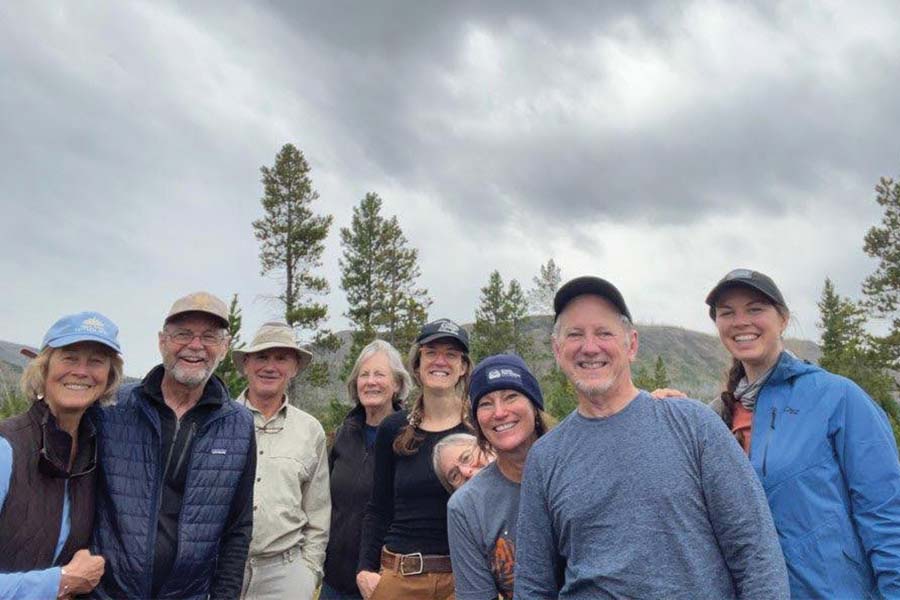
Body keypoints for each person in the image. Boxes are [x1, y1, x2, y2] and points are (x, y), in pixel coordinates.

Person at [515, 276, 789, 599]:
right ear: (557, 349)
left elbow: (755, 551)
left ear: (631, 344)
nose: (590, 347)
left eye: (604, 333)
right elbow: (533, 585)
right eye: (575, 335)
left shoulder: (695, 425)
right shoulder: (545, 457)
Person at [706, 268, 900, 598]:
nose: (741, 321)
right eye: (728, 313)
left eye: (755, 309)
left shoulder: (838, 397)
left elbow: (885, 510)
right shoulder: (716, 417)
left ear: (782, 319)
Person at [92, 292, 257, 600]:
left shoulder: (239, 424)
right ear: (162, 341)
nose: (195, 346)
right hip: (107, 592)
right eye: (183, 334)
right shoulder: (113, 407)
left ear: (224, 347)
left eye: (209, 336)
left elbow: (238, 527)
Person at [0, 312, 122, 600]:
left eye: (96, 361)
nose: (82, 371)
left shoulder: (93, 454)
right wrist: (60, 581)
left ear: (108, 378)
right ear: (44, 368)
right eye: (69, 357)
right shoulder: (7, 446)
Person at [356, 319, 472, 600]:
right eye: (431, 352)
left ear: (463, 367)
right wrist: (365, 569)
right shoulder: (393, 429)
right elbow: (378, 507)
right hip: (400, 577)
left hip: (465, 579)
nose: (440, 361)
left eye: (451, 354)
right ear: (417, 365)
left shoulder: (480, 426)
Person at [234, 322, 330, 600]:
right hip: (222, 567)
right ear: (246, 364)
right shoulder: (219, 421)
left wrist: (309, 570)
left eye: (281, 358)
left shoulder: (310, 430)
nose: (270, 366)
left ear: (294, 367)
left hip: (286, 574)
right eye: (262, 357)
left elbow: (318, 510)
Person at [448, 353, 550, 600]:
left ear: (534, 407)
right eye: (486, 403)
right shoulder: (467, 507)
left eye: (511, 396)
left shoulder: (576, 468)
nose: (500, 412)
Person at [321, 340, 412, 600]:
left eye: (380, 374)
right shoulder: (344, 435)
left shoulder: (409, 438)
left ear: (397, 384)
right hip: (334, 581)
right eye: (364, 375)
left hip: (382, 582)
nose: (371, 382)